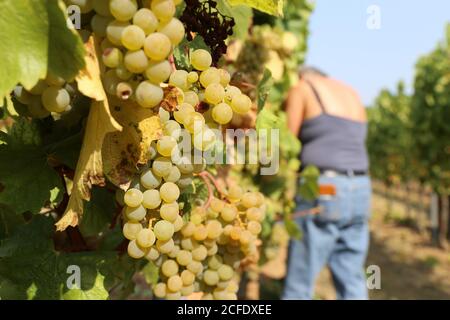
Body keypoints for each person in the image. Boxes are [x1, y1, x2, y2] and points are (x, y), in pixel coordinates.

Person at [282, 66, 372, 300]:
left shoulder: (302, 88)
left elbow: (287, 143)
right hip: (361, 188)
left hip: (325, 188)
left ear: (301, 75)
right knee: (352, 277)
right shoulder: (351, 93)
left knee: (300, 281)